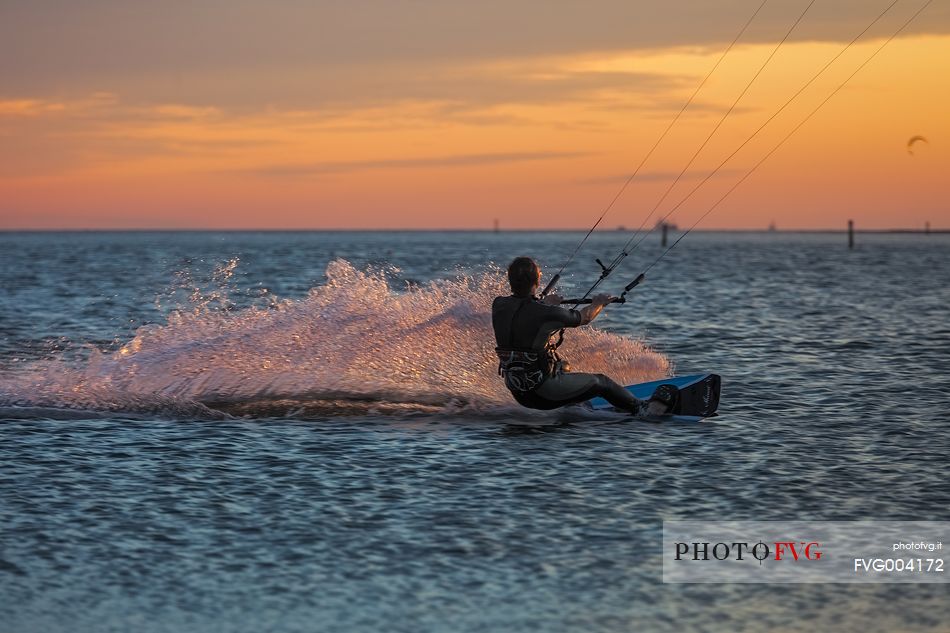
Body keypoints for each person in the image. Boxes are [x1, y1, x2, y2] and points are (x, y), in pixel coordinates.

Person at [492, 256, 676, 415]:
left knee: (564, 367)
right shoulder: (546, 312)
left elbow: (524, 312)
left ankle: (575, 404)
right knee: (601, 382)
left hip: (518, 392)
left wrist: (545, 304)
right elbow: (584, 317)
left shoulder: (498, 305)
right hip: (543, 394)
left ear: (510, 280)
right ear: (538, 280)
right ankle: (642, 410)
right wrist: (599, 302)